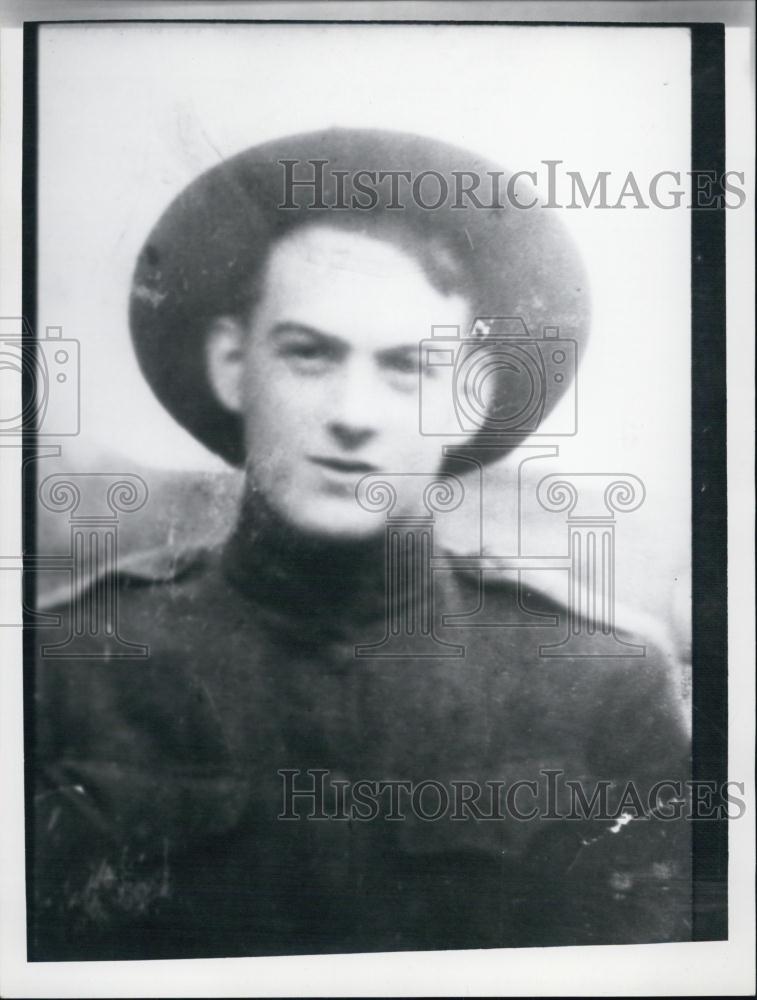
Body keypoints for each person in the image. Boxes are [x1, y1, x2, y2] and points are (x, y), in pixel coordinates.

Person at [31, 128, 691, 960]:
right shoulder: (65, 672)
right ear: (233, 365)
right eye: (308, 354)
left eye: (407, 367)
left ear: (466, 400)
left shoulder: (604, 689)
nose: (352, 412)